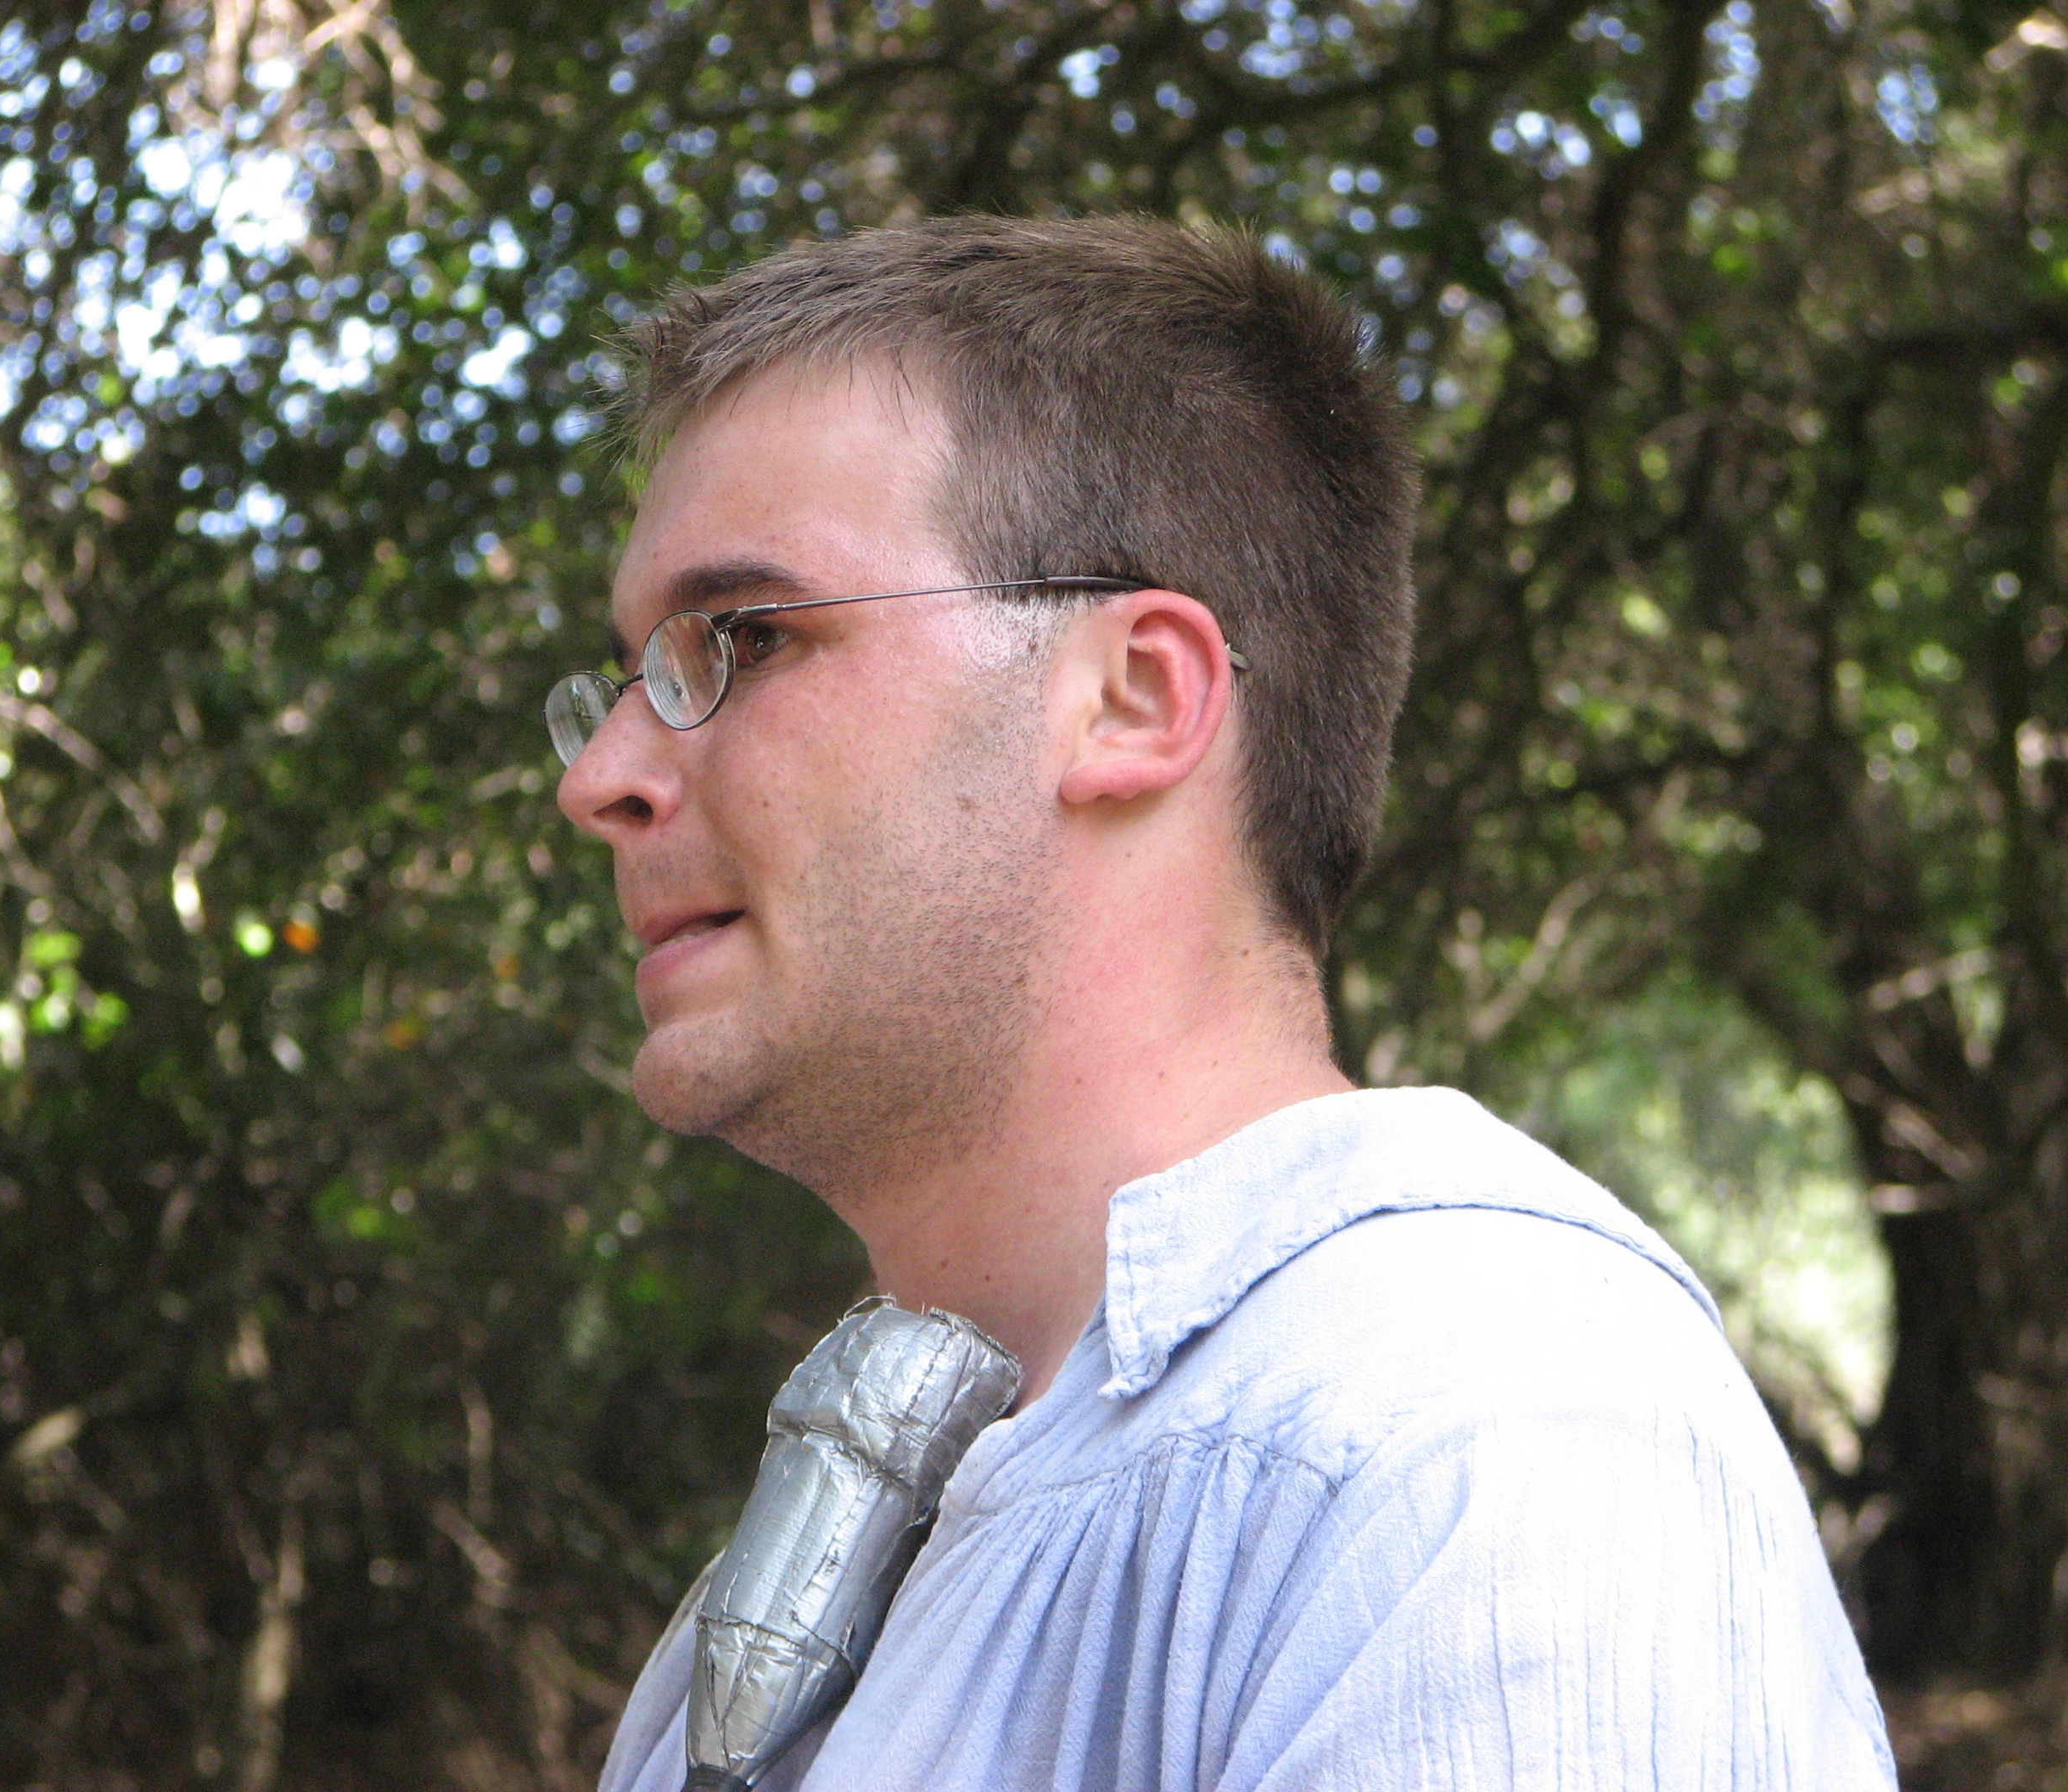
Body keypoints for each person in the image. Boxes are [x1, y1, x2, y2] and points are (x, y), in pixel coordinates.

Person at [551, 216, 1895, 1789]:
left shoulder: (1471, 1431)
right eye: (628, 678)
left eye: (745, 638)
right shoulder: (868, 1515)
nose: (600, 777)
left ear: (1135, 699)